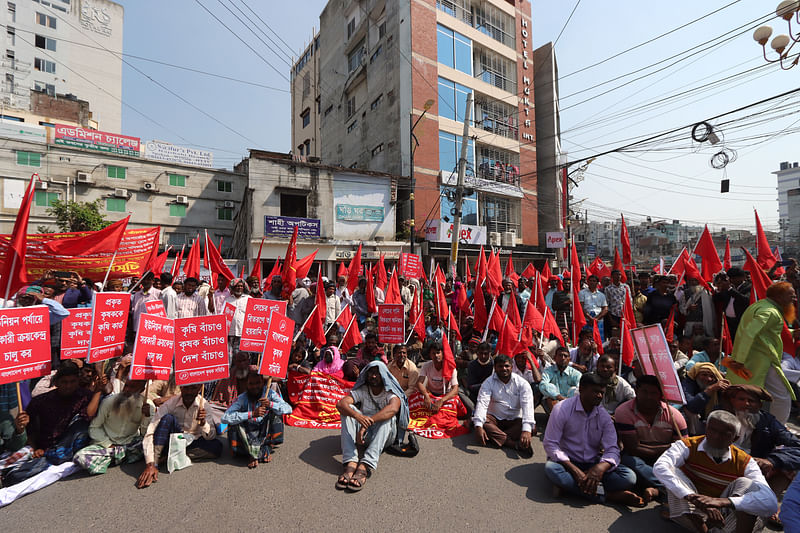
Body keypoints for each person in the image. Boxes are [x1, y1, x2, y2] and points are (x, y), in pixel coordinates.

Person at [653, 410, 779, 533]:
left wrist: (722, 502)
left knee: (747, 485)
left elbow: (770, 502)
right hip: (692, 510)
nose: (716, 437)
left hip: (723, 516)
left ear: (735, 438)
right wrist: (694, 498)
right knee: (671, 471)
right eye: (712, 430)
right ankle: (702, 529)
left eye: (725, 434)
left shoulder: (744, 461)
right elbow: (660, 467)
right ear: (706, 428)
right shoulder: (687, 446)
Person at [543, 372, 641, 506]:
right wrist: (575, 471)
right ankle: (608, 496)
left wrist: (600, 468)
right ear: (582, 389)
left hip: (592, 463)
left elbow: (612, 449)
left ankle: (572, 488)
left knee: (629, 477)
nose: (599, 396)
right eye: (595, 392)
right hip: (567, 463)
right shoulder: (562, 409)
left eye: (602, 392)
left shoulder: (604, 417)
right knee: (552, 469)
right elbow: (550, 444)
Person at [724, 384, 800, 528]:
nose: (746, 404)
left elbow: (796, 446)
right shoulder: (721, 416)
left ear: (759, 405)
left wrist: (772, 461)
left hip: (756, 471)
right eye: (741, 399)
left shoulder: (767, 422)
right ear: (733, 401)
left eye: (751, 401)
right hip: (723, 467)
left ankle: (765, 507)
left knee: (788, 469)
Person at [727, 282, 797, 425]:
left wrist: (793, 332)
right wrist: (739, 361)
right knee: (782, 397)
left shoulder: (760, 306)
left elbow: (768, 333)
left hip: (754, 361)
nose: (795, 298)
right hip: (760, 362)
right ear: (779, 296)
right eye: (791, 295)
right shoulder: (770, 312)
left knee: (747, 398)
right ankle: (778, 429)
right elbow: (749, 333)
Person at [615, 375, 688, 503]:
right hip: (638, 458)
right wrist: (668, 447)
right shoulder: (624, 411)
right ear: (636, 390)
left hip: (666, 459)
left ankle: (657, 490)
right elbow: (633, 449)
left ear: (660, 394)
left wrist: (663, 452)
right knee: (631, 463)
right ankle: (670, 489)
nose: (649, 397)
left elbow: (683, 447)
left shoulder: (674, 416)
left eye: (654, 393)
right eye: (644, 392)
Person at [335, 361, 407, 492]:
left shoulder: (389, 392)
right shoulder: (363, 390)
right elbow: (341, 404)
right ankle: (350, 461)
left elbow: (393, 408)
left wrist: (367, 423)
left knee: (387, 417)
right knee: (348, 410)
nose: (373, 376)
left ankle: (365, 466)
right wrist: (358, 417)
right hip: (363, 436)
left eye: (377, 373)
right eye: (371, 373)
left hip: (384, 436)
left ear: (384, 375)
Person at [136, 384, 222, 489]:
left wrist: (203, 423)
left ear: (199, 389)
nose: (189, 392)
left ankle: (171, 455)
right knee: (167, 419)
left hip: (192, 441)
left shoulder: (204, 405)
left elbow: (211, 436)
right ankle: (158, 461)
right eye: (186, 388)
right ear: (181, 388)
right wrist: (151, 464)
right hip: (173, 439)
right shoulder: (170, 404)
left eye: (193, 388)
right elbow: (151, 430)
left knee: (217, 447)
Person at [73, 380, 154, 475]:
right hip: (107, 445)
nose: (127, 390)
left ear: (141, 389)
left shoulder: (148, 405)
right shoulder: (109, 402)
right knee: (80, 457)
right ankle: (120, 457)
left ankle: (113, 458)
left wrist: (146, 417)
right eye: (126, 386)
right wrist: (108, 444)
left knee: (150, 443)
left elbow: (146, 433)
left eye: (132, 387)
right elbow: (94, 428)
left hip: (130, 444)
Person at [25, 361, 93, 467]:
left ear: (78, 381)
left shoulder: (85, 396)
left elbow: (89, 415)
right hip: (46, 449)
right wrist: (35, 448)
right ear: (56, 382)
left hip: (73, 447)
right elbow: (28, 428)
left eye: (72, 381)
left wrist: (99, 389)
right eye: (64, 382)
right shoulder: (41, 401)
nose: (68, 386)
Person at [221, 370, 292, 468]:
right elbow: (225, 418)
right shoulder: (242, 398)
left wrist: (271, 404)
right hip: (247, 432)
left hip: (264, 430)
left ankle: (261, 450)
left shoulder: (270, 394)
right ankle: (259, 453)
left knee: (277, 415)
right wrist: (251, 414)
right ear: (247, 385)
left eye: (258, 383)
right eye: (251, 384)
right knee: (233, 422)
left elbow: (288, 409)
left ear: (263, 383)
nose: (254, 387)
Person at [472, 355, 535, 457]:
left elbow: (527, 406)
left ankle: (495, 437)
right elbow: (482, 403)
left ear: (511, 366)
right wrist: (479, 426)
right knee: (482, 423)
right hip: (495, 419)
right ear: (495, 368)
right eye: (500, 366)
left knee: (530, 426)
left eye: (506, 366)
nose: (504, 369)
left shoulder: (522, 383)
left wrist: (526, 430)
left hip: (515, 420)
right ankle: (513, 444)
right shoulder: (488, 382)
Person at [683, 362, 729, 436]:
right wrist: (710, 390)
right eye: (704, 375)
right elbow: (692, 407)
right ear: (696, 375)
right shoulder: (688, 384)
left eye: (712, 376)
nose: (708, 379)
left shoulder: (719, 388)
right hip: (692, 428)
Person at [417, 342, 460, 413]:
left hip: (445, 396)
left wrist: (441, 400)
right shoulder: (426, 365)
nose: (436, 355)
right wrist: (426, 395)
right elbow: (419, 383)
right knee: (416, 398)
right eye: (433, 353)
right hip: (430, 395)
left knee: (455, 401)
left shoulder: (450, 367)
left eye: (438, 353)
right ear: (430, 355)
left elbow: (455, 389)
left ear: (443, 354)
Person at [539, 347, 582, 413]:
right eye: (560, 355)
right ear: (554, 358)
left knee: (575, 390)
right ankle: (557, 418)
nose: (563, 358)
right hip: (554, 402)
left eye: (565, 356)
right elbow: (542, 385)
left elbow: (581, 389)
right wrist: (559, 397)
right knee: (549, 393)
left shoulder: (576, 374)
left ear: (569, 359)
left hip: (571, 404)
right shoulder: (548, 371)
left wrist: (568, 400)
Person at [223, 278, 251, 360]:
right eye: (237, 286)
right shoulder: (227, 300)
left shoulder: (249, 299)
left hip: (243, 333)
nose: (239, 288)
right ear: (233, 287)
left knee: (242, 357)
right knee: (230, 357)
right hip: (230, 333)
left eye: (241, 286)